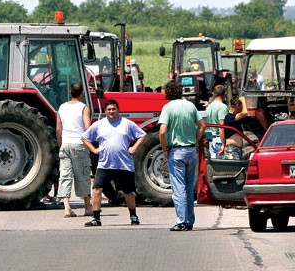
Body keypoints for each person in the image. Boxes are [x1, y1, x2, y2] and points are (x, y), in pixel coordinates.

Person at [82, 99, 147, 227]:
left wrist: (134, 148)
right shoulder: (99, 124)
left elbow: (142, 135)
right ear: (105, 111)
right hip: (104, 164)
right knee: (96, 189)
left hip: (123, 165)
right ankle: (96, 218)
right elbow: (84, 137)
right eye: (109, 109)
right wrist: (94, 149)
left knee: (128, 192)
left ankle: (133, 216)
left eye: (114, 109)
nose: (111, 112)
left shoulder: (127, 124)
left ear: (118, 110)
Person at [159, 80, 206, 232]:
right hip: (191, 150)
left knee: (178, 189)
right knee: (188, 187)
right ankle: (190, 220)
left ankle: (181, 221)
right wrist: (195, 138)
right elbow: (202, 126)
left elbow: (162, 131)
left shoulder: (168, 108)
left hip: (176, 151)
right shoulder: (190, 106)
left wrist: (165, 148)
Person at [56, 82, 92, 218]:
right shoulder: (83, 108)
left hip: (65, 144)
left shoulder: (62, 107)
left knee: (65, 175)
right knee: (83, 174)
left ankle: (67, 207)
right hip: (79, 144)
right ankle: (87, 207)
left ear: (70, 92)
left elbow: (58, 129)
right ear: (82, 93)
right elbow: (87, 128)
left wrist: (61, 144)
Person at [205, 85, 228, 158]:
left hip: (211, 140)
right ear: (225, 94)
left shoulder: (209, 107)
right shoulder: (222, 107)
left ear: (213, 94)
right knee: (222, 167)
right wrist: (224, 144)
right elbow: (221, 126)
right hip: (219, 140)